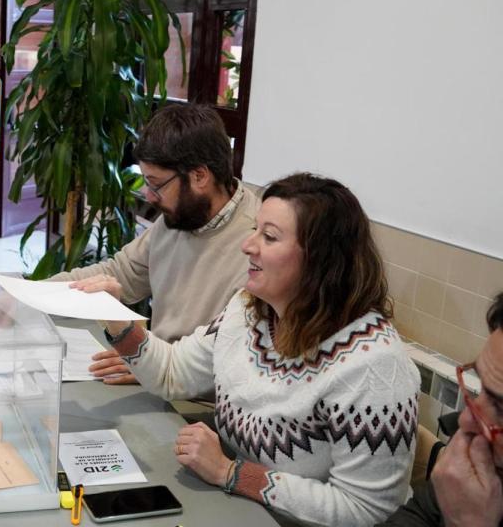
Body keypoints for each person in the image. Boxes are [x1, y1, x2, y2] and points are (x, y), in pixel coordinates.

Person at [97, 173, 420, 526]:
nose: (248, 246)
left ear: (321, 260)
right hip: (243, 509)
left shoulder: (375, 368)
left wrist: (231, 473)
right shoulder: (248, 309)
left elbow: (366, 510)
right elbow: (174, 373)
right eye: (255, 230)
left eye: (269, 237)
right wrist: (117, 320)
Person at [56, 103, 261, 384]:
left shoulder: (258, 245)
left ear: (200, 176)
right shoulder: (180, 217)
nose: (150, 197)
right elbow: (119, 274)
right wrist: (25, 295)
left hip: (202, 404)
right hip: (160, 376)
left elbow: (246, 363)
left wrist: (151, 364)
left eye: (156, 184)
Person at [378, 293, 503, 527]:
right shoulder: (485, 469)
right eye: (480, 389)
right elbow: (415, 516)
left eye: (500, 408)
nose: (466, 418)